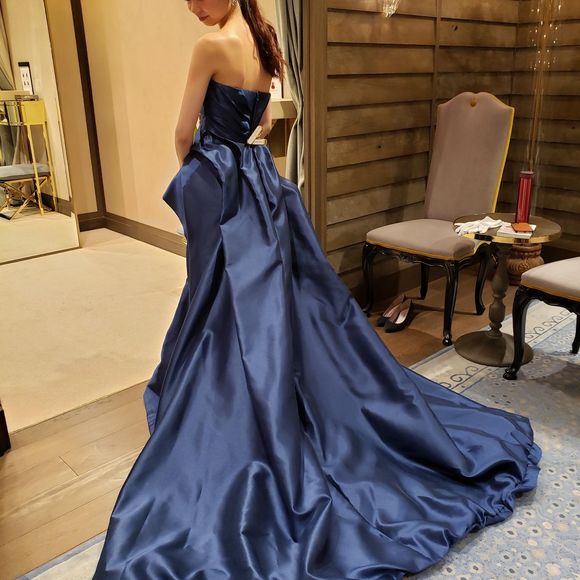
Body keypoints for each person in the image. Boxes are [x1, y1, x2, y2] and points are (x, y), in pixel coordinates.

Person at [93, 1, 541, 578]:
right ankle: (288, 397)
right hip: (262, 185)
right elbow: (264, 125)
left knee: (223, 306)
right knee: (277, 304)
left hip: (224, 188)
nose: (193, 6)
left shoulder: (211, 47)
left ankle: (237, 418)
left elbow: (183, 136)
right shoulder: (264, 39)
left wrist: (201, 181)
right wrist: (240, 148)